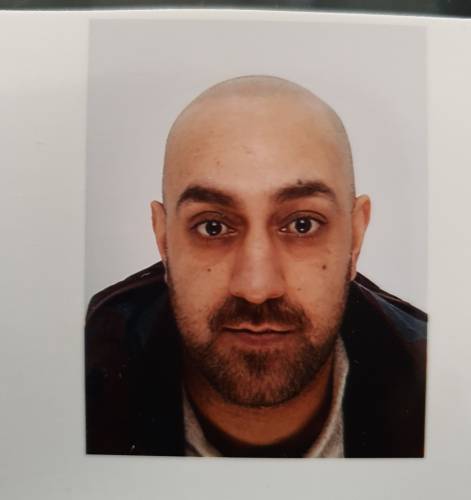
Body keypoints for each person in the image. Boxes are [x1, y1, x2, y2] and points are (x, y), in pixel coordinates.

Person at [85, 75, 427, 458]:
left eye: (302, 225)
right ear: (164, 240)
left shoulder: (444, 398)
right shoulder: (72, 387)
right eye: (213, 227)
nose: (257, 288)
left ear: (356, 237)